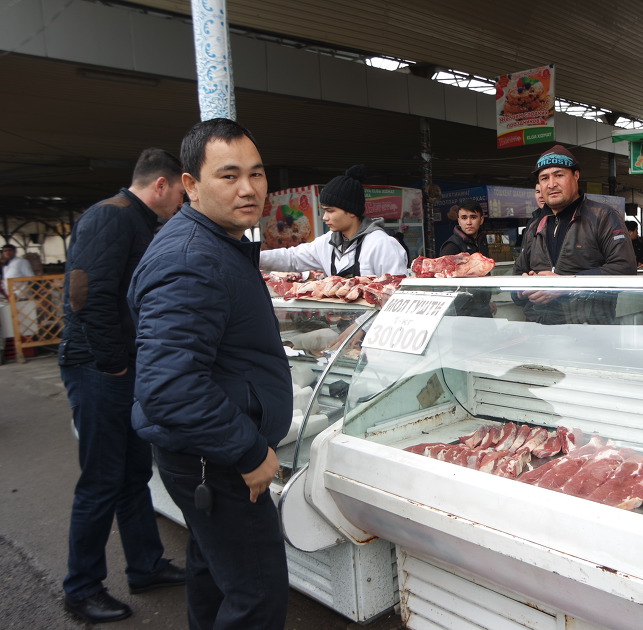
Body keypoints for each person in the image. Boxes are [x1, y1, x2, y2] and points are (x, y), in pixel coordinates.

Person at [128, 118, 293, 629]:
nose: (248, 188)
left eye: (257, 173)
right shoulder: (192, 258)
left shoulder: (216, 243)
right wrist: (248, 451)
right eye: (229, 175)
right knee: (256, 597)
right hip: (217, 462)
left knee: (213, 574)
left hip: (206, 455)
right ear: (191, 185)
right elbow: (168, 384)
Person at [57, 148, 186, 624]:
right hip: (97, 369)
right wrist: (113, 364)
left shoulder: (140, 221)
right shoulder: (110, 217)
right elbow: (84, 292)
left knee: (134, 473)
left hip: (123, 370)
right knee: (101, 481)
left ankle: (146, 566)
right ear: (160, 185)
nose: (182, 202)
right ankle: (81, 589)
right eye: (181, 192)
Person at [512, 144, 636, 324]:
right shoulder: (535, 226)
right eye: (544, 178)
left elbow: (625, 268)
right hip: (538, 329)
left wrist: (565, 285)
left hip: (588, 330)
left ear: (576, 175)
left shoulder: (603, 216)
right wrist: (521, 290)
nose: (551, 184)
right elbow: (517, 274)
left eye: (559, 175)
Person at [259, 165, 408, 277]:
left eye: (330, 211)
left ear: (351, 211)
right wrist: (252, 257)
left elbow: (396, 291)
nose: (324, 217)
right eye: (324, 211)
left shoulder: (382, 244)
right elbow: (292, 258)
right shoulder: (327, 243)